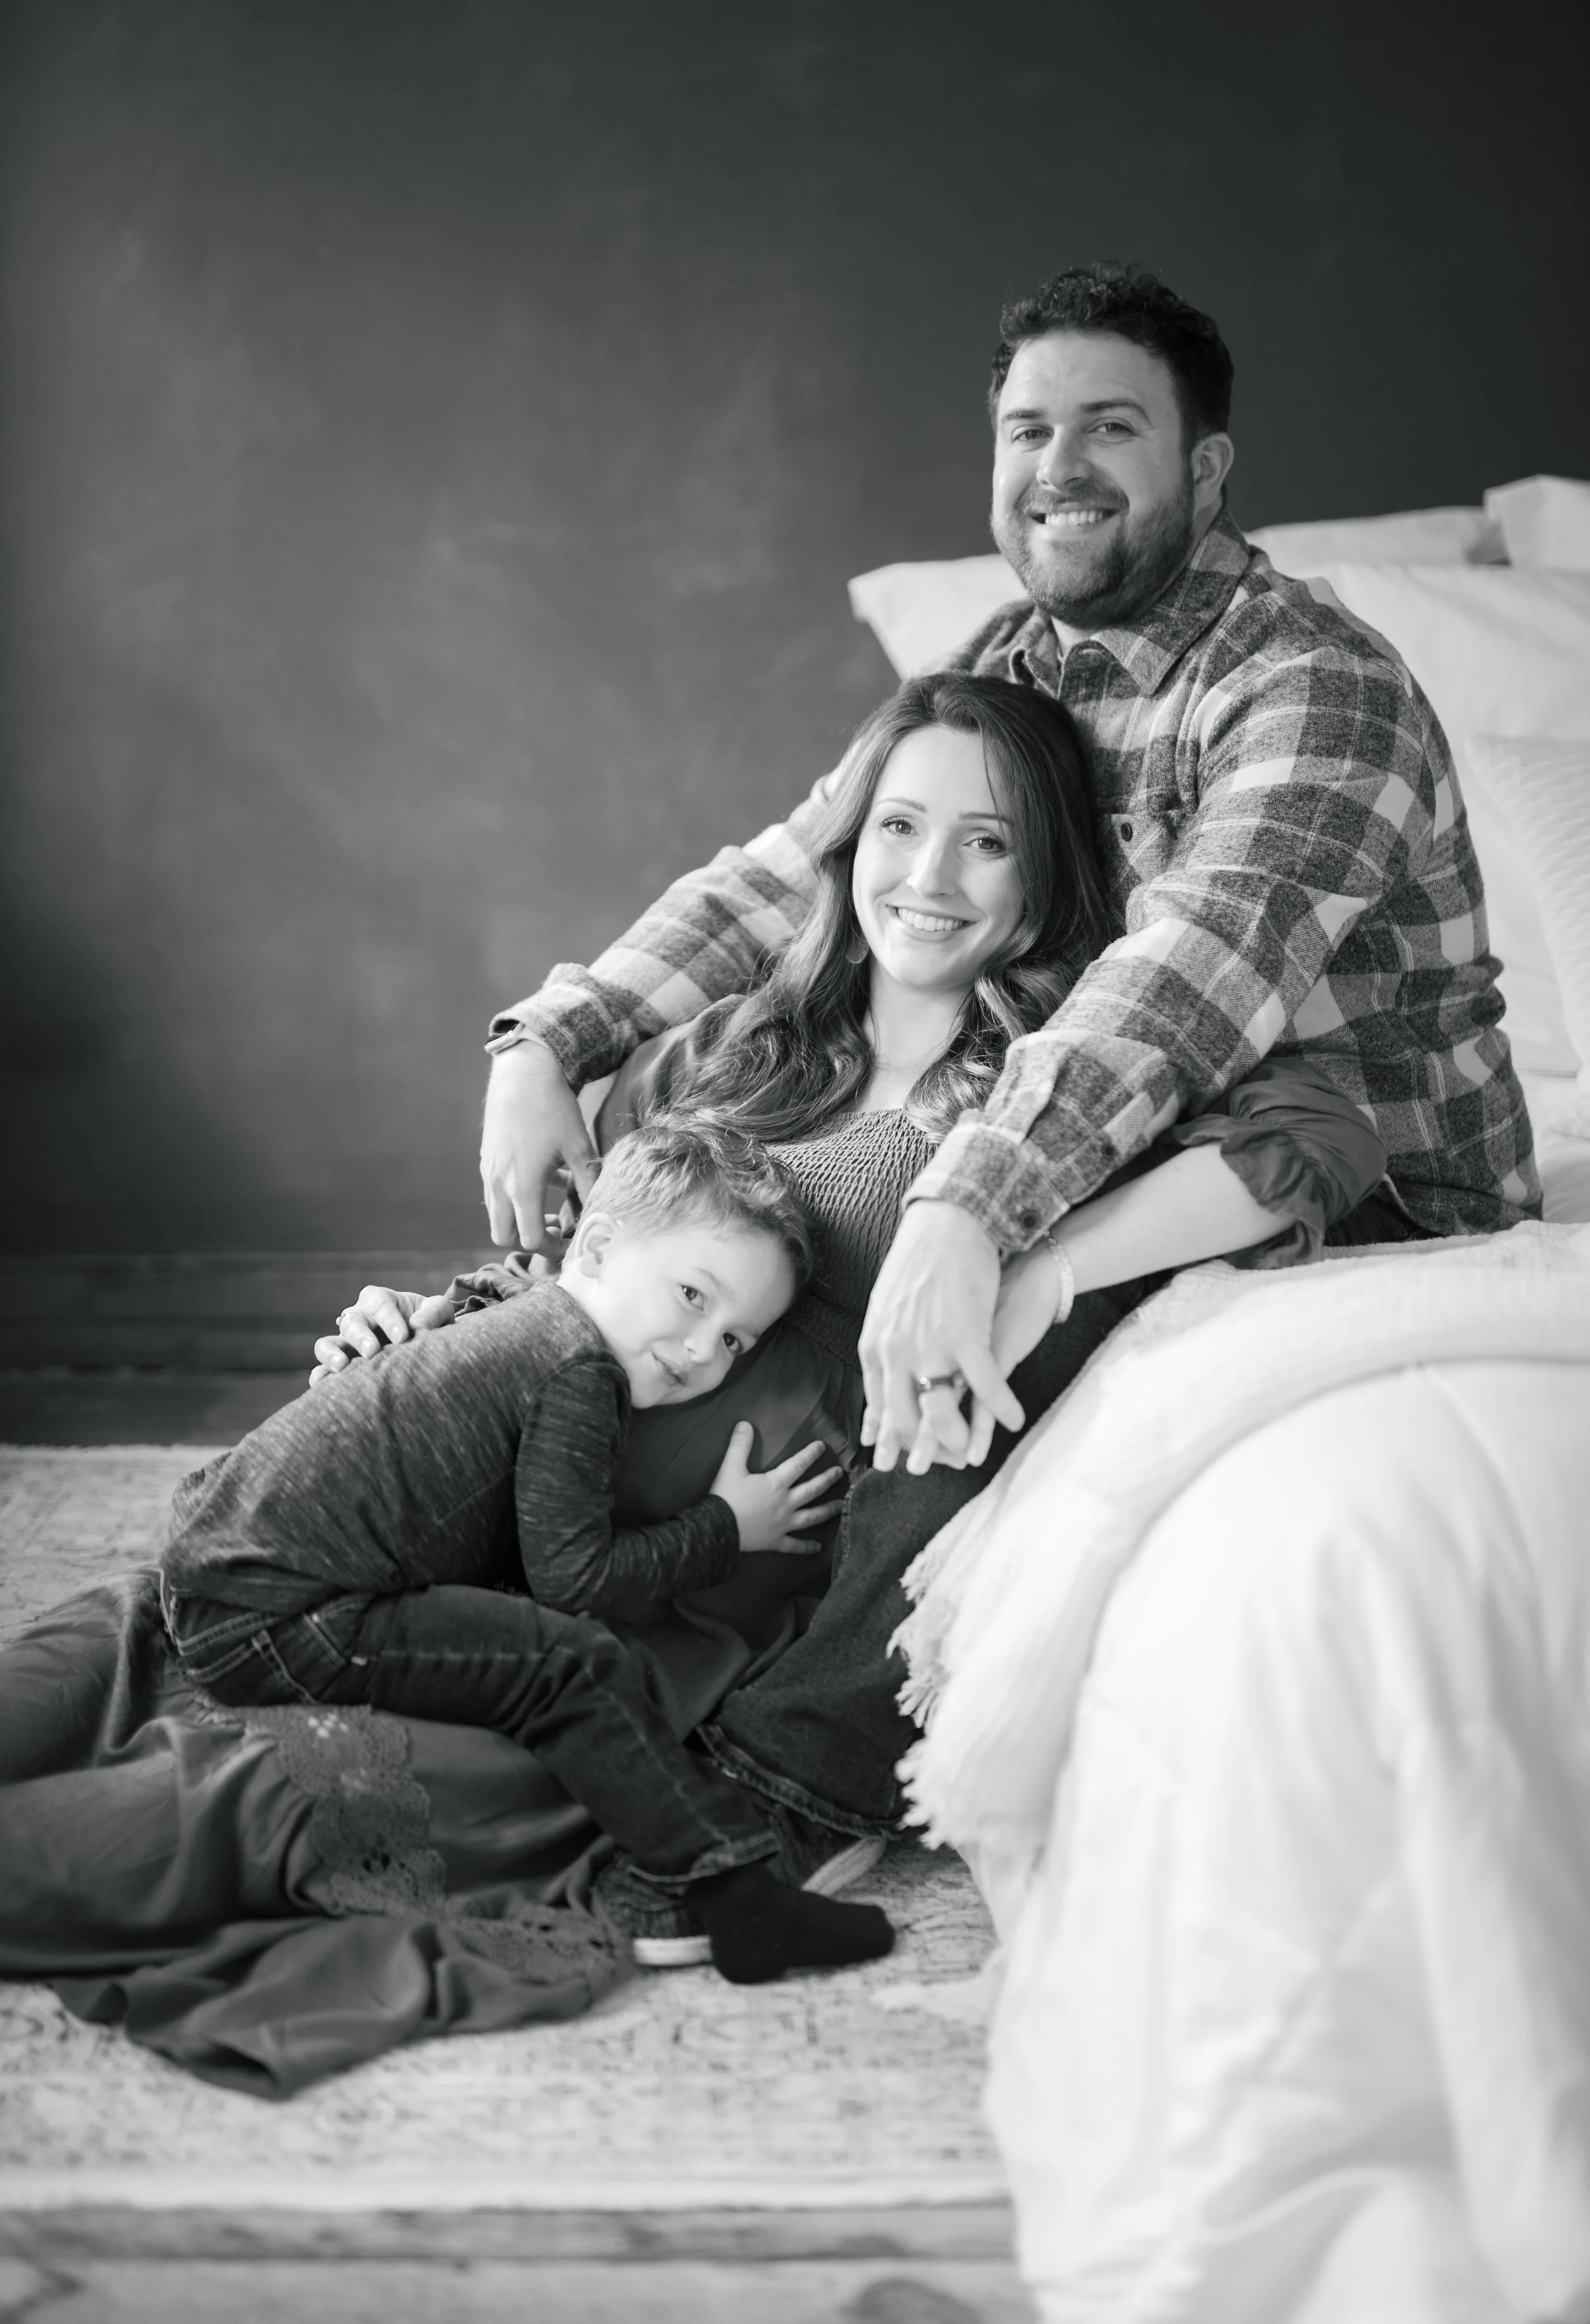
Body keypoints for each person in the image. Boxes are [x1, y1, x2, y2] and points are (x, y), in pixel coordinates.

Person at [450, 258, 1537, 1889]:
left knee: (966, 1258)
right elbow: (802, 870)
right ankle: (488, 1590)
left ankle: (801, 1772)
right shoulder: (1012, 652)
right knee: (758, 1178)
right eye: (1029, 427)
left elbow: (1174, 996)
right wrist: (554, 1038)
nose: (1059, 468)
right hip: (1105, 1125)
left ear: (1206, 470)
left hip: (1356, 1184)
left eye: (1111, 427)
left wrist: (973, 1212)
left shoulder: (1314, 685)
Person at [325, 669, 1390, 1953]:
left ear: (1045, 875)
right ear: (848, 841)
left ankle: (791, 1777)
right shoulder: (736, 1044)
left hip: (790, 1570)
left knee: (400, 1821)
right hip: (587, 1515)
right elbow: (593, 1273)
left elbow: (1319, 1131)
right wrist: (433, 1321)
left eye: (987, 841)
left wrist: (1048, 1265)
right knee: (238, 1658)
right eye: (898, 826)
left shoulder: (1062, 1083)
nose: (929, 876)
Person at [158, 1119, 892, 1989]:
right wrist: (726, 1526)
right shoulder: (576, 1368)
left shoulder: (528, 1321)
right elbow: (577, 1579)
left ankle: (730, 1893)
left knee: (520, 1636)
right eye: (695, 1296)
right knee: (572, 1666)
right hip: (272, 1616)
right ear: (601, 1243)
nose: (703, 1350)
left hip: (221, 1561)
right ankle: (735, 1898)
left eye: (735, 1339)